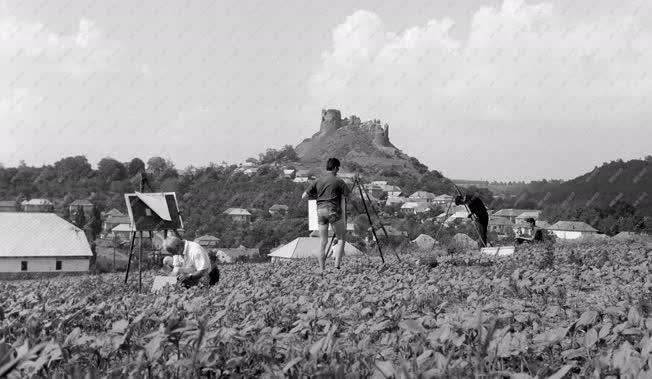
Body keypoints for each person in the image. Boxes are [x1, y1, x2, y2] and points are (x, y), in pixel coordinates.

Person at [302, 158, 351, 270]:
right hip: (333, 210)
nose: (338, 170)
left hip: (320, 211)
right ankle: (337, 267)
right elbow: (349, 196)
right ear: (334, 167)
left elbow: (304, 196)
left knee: (323, 241)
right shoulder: (338, 181)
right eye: (337, 168)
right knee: (341, 238)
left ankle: (321, 269)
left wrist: (317, 197)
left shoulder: (317, 181)